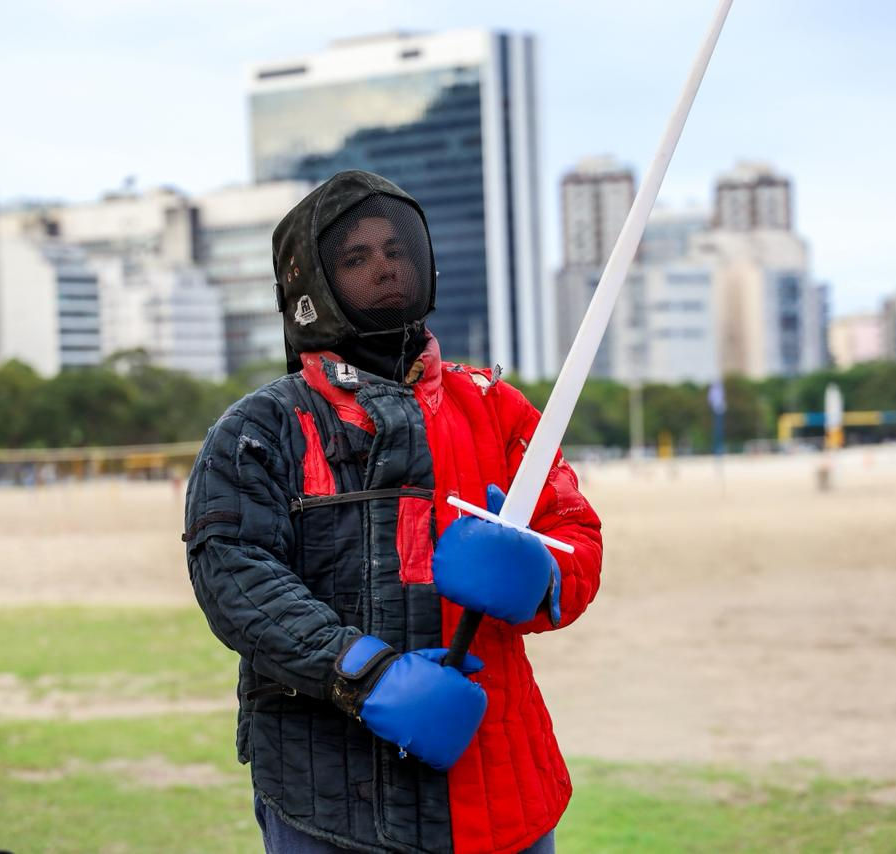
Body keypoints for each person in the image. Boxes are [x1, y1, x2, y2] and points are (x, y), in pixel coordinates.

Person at [184, 171, 602, 853]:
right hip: (330, 794)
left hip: (501, 784)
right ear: (311, 288)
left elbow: (576, 535)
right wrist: (360, 672)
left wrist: (544, 574)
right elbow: (235, 577)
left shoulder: (495, 409)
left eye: (393, 248)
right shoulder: (263, 427)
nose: (384, 265)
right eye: (355, 257)